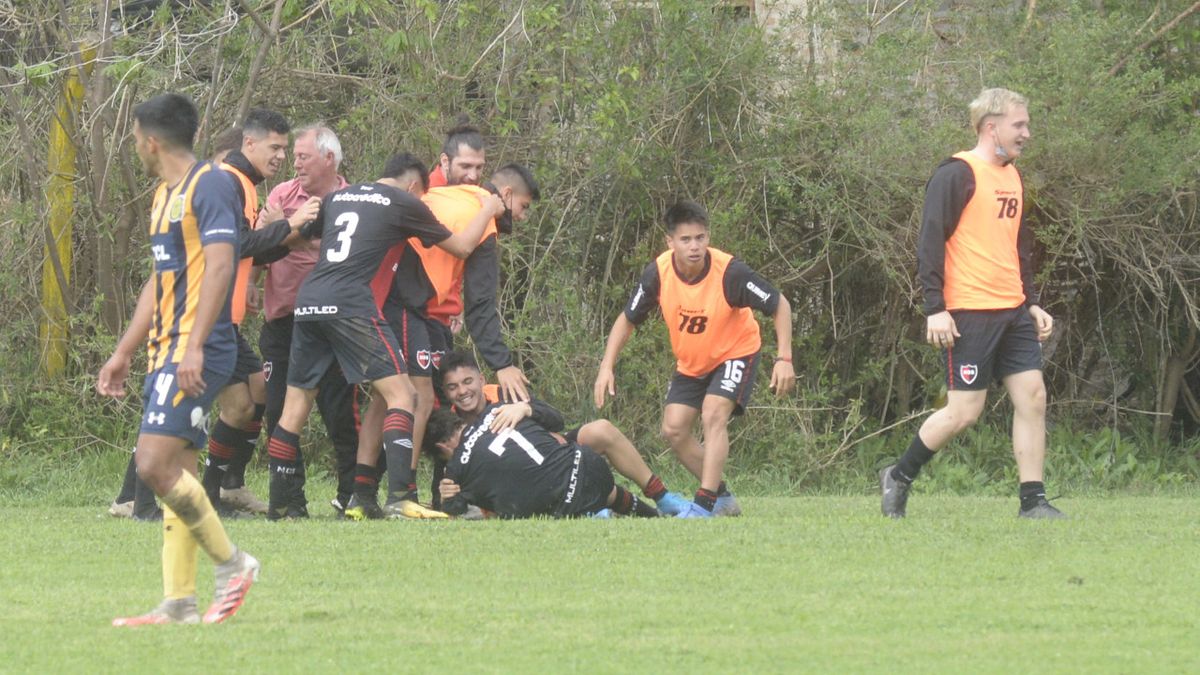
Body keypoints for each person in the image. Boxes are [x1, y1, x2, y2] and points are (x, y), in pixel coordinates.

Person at [263, 152, 505, 520]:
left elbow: (298, 239)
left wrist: (276, 225)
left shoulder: (340, 196)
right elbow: (461, 247)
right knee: (403, 395)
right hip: (351, 304)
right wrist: (489, 208)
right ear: (413, 186)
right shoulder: (405, 201)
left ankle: (284, 503)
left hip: (309, 301)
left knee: (295, 407)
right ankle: (400, 496)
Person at [97, 92, 258, 625]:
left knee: (152, 463)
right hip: (165, 349)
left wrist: (193, 344)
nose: (135, 149)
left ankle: (233, 565)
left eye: (135, 141)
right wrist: (123, 351)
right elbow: (161, 277)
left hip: (198, 349)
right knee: (178, 474)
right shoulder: (165, 193)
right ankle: (178, 602)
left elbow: (220, 266)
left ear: (150, 140)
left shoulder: (209, 183)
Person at [879, 88, 1064, 520]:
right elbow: (929, 242)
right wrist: (934, 307)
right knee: (964, 412)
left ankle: (1033, 501)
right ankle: (899, 475)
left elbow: (1018, 247)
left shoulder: (1014, 176)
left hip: (1013, 311)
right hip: (968, 313)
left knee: (1033, 396)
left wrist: (1032, 302)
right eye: (1019, 125)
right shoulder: (956, 174)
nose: (1027, 134)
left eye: (1027, 124)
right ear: (990, 126)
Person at [348, 163, 539, 517]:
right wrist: (502, 364)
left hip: (373, 292)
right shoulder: (486, 217)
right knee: (418, 397)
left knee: (383, 397)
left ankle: (361, 493)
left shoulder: (447, 192)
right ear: (507, 195)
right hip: (402, 298)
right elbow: (481, 305)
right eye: (524, 207)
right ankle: (402, 495)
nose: (522, 217)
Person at [594, 200, 795, 518]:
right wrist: (606, 366)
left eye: (700, 238)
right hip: (692, 363)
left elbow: (779, 304)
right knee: (673, 430)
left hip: (735, 351)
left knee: (714, 414)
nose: (695, 246)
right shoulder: (658, 273)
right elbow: (627, 319)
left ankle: (703, 506)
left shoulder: (730, 272)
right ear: (670, 242)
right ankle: (723, 498)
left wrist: (784, 358)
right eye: (686, 240)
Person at [201, 109, 320, 516]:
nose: (281, 157)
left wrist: (292, 234)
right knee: (229, 406)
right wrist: (289, 223)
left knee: (258, 392)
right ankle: (201, 492)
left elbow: (253, 248)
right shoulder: (230, 181)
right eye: (275, 147)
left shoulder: (247, 186)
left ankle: (229, 485)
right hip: (208, 316)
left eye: (285, 149)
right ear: (247, 145)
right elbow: (236, 243)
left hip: (226, 319)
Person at [253, 124, 362, 515]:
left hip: (334, 323)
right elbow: (259, 244)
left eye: (303, 157)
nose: (293, 164)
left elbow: (343, 252)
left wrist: (286, 228)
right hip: (283, 320)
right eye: (293, 156)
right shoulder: (282, 194)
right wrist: (287, 230)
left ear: (329, 159)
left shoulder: (353, 201)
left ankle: (352, 495)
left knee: (341, 415)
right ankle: (288, 501)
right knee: (279, 410)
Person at [434, 351, 690, 515]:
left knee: (600, 429)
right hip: (512, 490)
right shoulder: (450, 427)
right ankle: (595, 509)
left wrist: (525, 409)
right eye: (453, 387)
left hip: (549, 456)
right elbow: (451, 482)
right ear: (446, 393)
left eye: (467, 382)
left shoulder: (504, 392)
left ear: (480, 379)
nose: (462, 391)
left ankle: (662, 497)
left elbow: (556, 419)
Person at [427, 401, 660, 520]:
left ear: (442, 447)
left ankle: (597, 513)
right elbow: (555, 420)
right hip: (588, 464)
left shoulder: (455, 471)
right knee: (598, 488)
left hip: (561, 504)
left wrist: (448, 497)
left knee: (562, 489)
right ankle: (655, 514)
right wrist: (526, 408)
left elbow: (457, 509)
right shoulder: (497, 409)